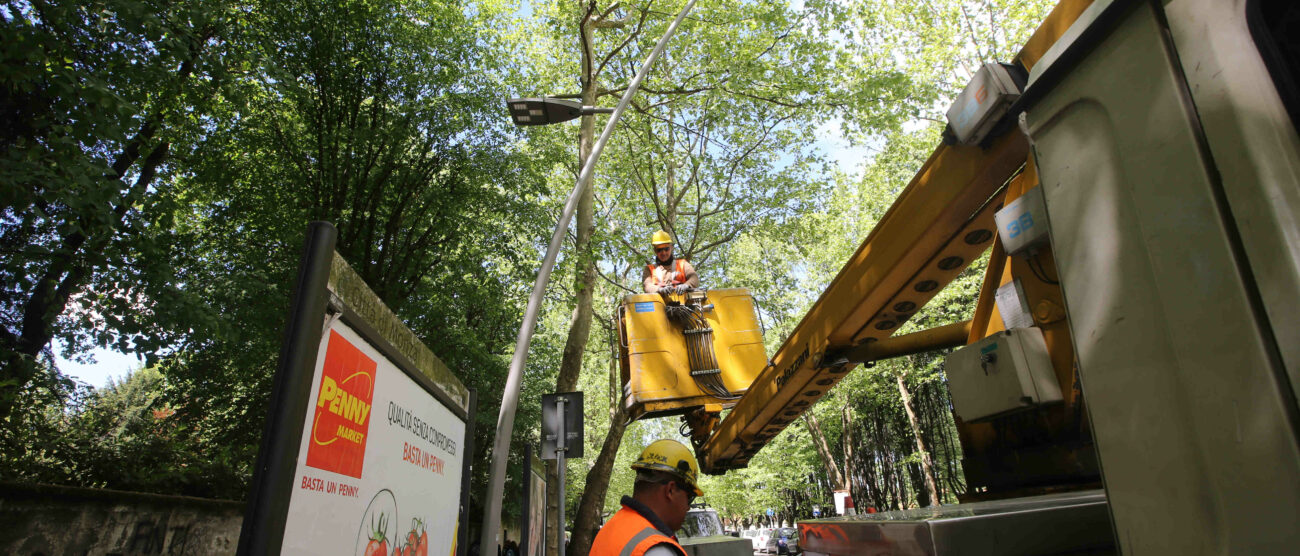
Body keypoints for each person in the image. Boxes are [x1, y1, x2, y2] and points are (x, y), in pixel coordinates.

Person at [590, 439, 704, 556]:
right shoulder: (656, 549)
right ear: (671, 490)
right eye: (689, 497)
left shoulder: (611, 529)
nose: (688, 507)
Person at [642, 230, 700, 294]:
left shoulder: (683, 264)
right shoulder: (649, 269)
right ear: (655, 251)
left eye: (666, 249)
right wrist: (659, 289)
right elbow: (647, 286)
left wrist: (686, 285)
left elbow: (694, 278)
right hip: (659, 303)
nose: (663, 253)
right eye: (659, 250)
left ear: (671, 248)